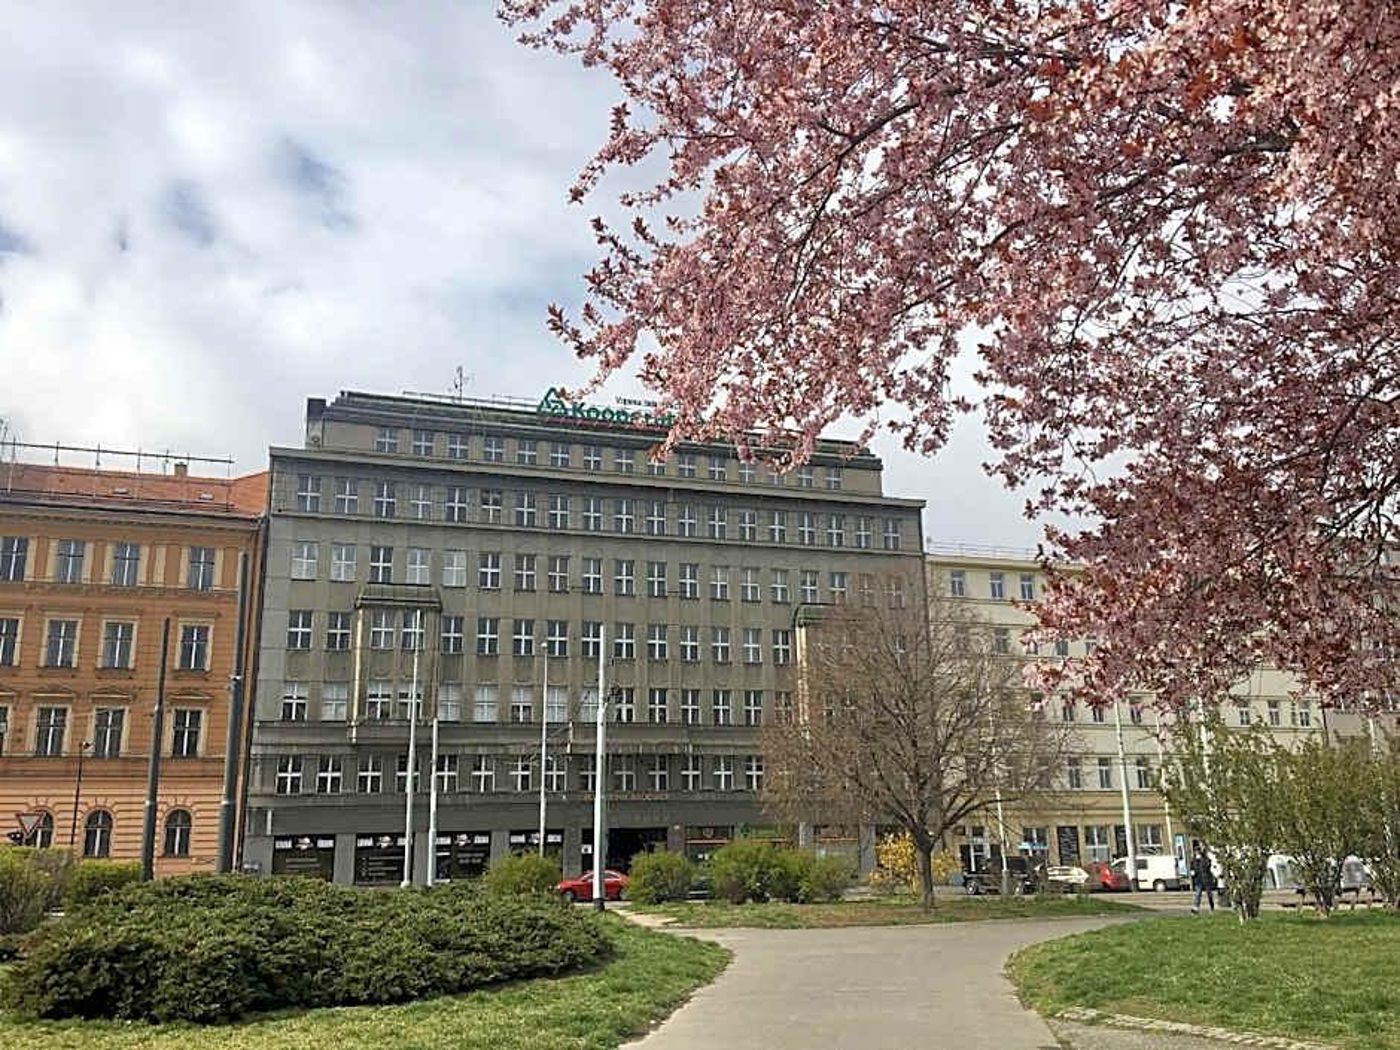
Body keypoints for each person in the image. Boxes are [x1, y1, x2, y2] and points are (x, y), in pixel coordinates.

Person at [1190, 845, 1217, 913]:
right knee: (1198, 894)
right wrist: (1193, 872)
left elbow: (1208, 865)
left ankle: (1212, 907)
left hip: (1206, 878)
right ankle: (1196, 908)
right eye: (1196, 851)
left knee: (1209, 894)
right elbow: (1192, 868)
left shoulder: (1204, 858)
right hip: (1198, 879)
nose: (1197, 852)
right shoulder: (1193, 860)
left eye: (1198, 850)